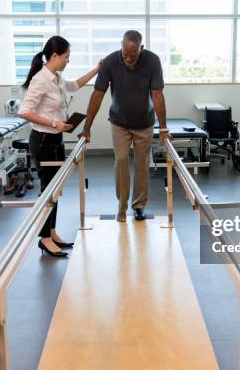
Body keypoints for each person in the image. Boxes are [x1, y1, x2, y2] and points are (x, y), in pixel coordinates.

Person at [18, 36, 100, 257]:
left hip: (55, 139)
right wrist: (55, 123)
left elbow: (74, 85)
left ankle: (52, 232)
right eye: (66, 57)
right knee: (47, 191)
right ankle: (44, 238)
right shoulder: (40, 80)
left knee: (55, 191)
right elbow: (24, 111)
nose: (67, 61)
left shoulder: (56, 77)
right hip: (43, 140)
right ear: (54, 56)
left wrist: (96, 69)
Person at [79, 30, 171, 223]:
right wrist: (87, 127)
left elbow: (158, 95)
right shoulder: (111, 62)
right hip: (119, 122)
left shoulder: (152, 61)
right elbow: (97, 95)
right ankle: (122, 204)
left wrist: (163, 129)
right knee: (121, 160)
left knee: (141, 165)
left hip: (144, 123)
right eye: (125, 54)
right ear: (121, 44)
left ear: (141, 48)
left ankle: (138, 206)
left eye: (133, 55)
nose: (128, 59)